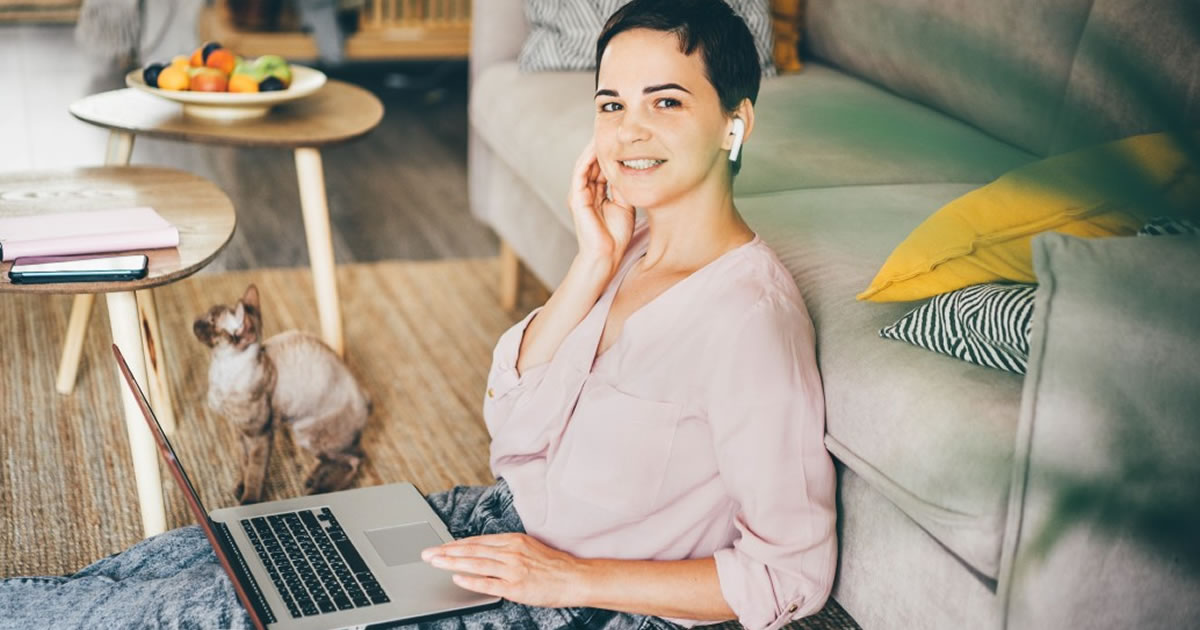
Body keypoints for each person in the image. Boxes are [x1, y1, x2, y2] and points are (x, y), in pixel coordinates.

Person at [0, 1, 836, 628]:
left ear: (734, 123)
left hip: (576, 603)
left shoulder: (750, 322)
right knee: (195, 556)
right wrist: (591, 264)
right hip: (496, 528)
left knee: (189, 614)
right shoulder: (627, 249)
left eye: (666, 102)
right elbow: (510, 427)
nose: (628, 132)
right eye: (611, 104)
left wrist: (569, 579)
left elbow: (790, 573)